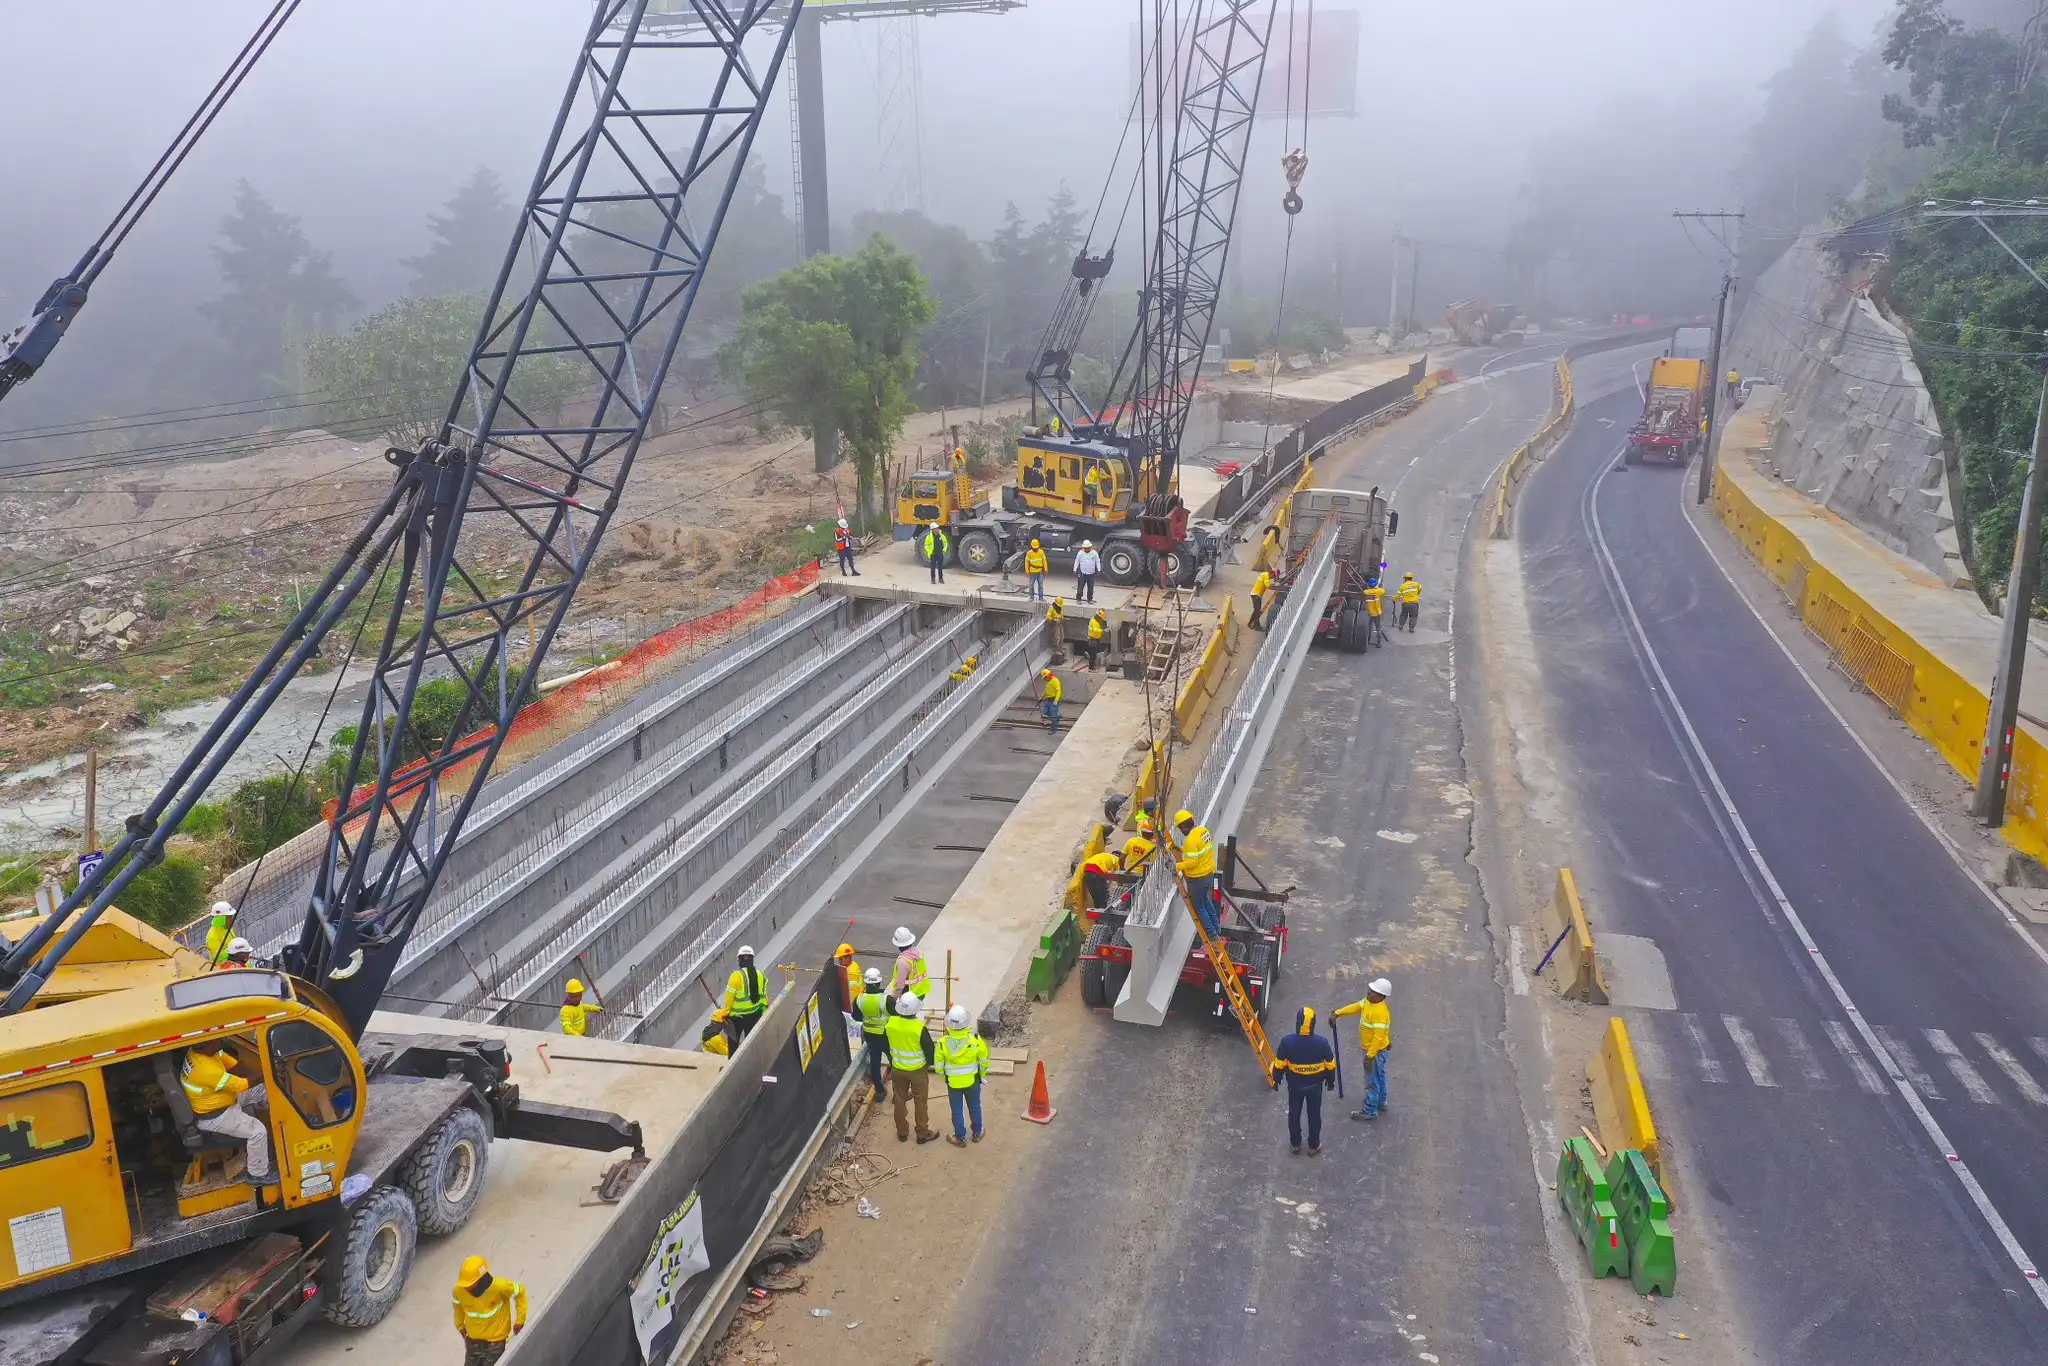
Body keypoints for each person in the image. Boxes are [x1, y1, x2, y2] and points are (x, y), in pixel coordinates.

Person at [180, 1045, 270, 1186]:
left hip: (221, 1099)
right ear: (207, 1042)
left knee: (262, 1090)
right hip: (216, 1115)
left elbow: (235, 1066)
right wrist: (269, 1071)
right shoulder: (206, 1070)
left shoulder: (202, 1050)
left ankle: (279, 1127)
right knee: (258, 1132)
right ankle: (258, 1174)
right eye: (217, 1039)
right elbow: (242, 1085)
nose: (220, 1040)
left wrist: (260, 1075)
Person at [1269, 1006, 1338, 1155]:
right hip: (1315, 1086)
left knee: (1294, 1114)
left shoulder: (1287, 1042)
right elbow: (1330, 1065)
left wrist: (1276, 1079)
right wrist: (1331, 1082)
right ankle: (1313, 1145)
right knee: (1314, 1115)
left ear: (1297, 1023)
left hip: (1295, 1086)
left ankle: (1295, 1144)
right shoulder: (1322, 1042)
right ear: (1313, 1024)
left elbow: (1279, 1064)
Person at [885, 992, 942, 1144]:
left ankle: (902, 1132)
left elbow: (887, 1044)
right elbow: (930, 1052)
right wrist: (928, 1065)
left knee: (899, 1099)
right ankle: (922, 1133)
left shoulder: (890, 1023)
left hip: (897, 1069)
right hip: (917, 1071)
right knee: (920, 1101)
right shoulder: (919, 1028)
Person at [1334, 977, 1393, 1120]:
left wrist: (1369, 1056)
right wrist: (1338, 1013)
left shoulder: (1380, 1012)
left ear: (1381, 996)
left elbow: (1378, 1037)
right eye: (1370, 989)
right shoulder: (1368, 1002)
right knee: (1380, 1077)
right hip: (1378, 1050)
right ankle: (1380, 1102)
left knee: (1371, 1081)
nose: (1369, 992)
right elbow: (1356, 1006)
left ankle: (1370, 1110)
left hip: (1374, 1052)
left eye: (1373, 991)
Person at [452, 1255, 527, 1366]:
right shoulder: (458, 1291)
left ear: (482, 1279)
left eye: (471, 1285)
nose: (467, 1288)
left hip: (496, 1342)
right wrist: (460, 1326)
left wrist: (520, 1320)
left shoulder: (499, 1286)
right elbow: (458, 1308)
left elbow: (520, 1292)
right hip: (473, 1340)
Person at [938, 1004, 990, 1147]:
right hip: (972, 1082)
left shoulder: (942, 1043)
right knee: (975, 1107)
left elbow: (938, 1067)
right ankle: (977, 1133)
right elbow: (984, 1061)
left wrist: (946, 1078)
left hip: (953, 1084)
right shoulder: (975, 1040)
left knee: (957, 1111)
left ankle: (960, 1138)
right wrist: (981, 1075)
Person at [1172, 809, 1220, 938]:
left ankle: (1211, 933)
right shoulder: (1203, 831)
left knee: (1199, 906)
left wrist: (1177, 866)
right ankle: (1216, 928)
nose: (1181, 832)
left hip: (1197, 879)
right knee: (1205, 901)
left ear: (1183, 827)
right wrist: (1182, 850)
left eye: (1180, 828)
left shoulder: (1190, 840)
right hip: (1209, 874)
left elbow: (1192, 862)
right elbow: (1199, 850)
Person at [853, 967, 891, 1099]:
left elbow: (856, 1017)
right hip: (885, 1035)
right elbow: (896, 1014)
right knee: (895, 1062)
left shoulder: (859, 999)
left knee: (875, 1062)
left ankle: (879, 1091)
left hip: (869, 1034)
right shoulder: (885, 999)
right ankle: (899, 1093)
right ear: (878, 982)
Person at [718, 945, 768, 1040]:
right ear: (752, 959)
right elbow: (764, 999)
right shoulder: (761, 975)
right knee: (750, 1044)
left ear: (739, 960)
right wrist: (763, 1015)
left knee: (733, 1045)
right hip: (754, 1015)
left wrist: (724, 1015)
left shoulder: (736, 976)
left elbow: (728, 1001)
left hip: (737, 1018)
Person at [889, 926, 930, 1002]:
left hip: (909, 996)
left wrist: (893, 998)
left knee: (907, 1013)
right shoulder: (918, 953)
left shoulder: (903, 961)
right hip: (920, 991)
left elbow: (899, 985)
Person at [1080, 846, 1122, 912]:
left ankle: (1097, 911)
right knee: (1103, 896)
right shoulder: (1118, 860)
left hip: (1086, 869)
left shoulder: (1104, 855)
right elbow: (1118, 877)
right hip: (1098, 870)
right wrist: (1122, 887)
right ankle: (1103, 914)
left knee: (1095, 895)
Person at [204, 900, 237, 965]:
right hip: (223, 969)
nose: (232, 919)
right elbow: (218, 957)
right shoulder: (212, 936)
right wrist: (236, 951)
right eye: (229, 917)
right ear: (221, 919)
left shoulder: (228, 928)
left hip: (236, 962)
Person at [834, 941, 861, 1009]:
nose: (839, 961)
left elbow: (851, 993)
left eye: (840, 959)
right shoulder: (853, 964)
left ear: (848, 957)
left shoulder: (850, 973)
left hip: (853, 1005)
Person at [1362, 579, 1386, 646]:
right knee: (1378, 628)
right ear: (1375, 584)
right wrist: (1376, 588)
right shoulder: (1379, 591)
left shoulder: (1366, 592)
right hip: (1377, 614)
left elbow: (1364, 592)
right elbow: (1383, 591)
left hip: (1369, 614)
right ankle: (1379, 643)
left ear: (1369, 585)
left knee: (1368, 627)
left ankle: (1368, 640)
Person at [1039, 667, 1064, 734]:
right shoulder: (1048, 681)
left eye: (1044, 678)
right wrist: (1042, 696)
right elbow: (1046, 690)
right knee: (1045, 711)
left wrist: (1056, 700)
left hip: (1053, 700)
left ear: (1047, 676)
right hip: (1048, 700)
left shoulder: (1055, 680)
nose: (1044, 679)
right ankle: (1057, 716)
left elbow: (1059, 691)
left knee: (1053, 716)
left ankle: (1053, 729)